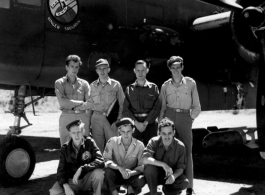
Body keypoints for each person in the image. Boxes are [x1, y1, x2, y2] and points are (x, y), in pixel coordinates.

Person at [159, 56, 201, 195]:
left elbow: (196, 106)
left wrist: (190, 119)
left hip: (184, 117)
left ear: (182, 67)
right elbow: (162, 107)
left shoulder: (190, 83)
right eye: (173, 67)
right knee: (168, 151)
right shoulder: (165, 86)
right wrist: (161, 125)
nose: (176, 70)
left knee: (187, 151)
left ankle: (189, 187)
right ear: (169, 69)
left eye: (178, 67)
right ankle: (168, 186)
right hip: (169, 117)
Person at [49, 119, 105, 195]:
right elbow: (61, 170)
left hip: (86, 180)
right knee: (54, 192)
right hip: (71, 181)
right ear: (70, 134)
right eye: (73, 133)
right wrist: (66, 186)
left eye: (79, 132)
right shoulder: (65, 148)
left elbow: (101, 161)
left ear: (83, 132)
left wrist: (82, 168)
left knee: (99, 173)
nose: (76, 135)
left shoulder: (90, 142)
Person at [83, 58, 125, 153]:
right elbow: (89, 107)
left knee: (113, 144)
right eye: (100, 69)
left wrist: (118, 120)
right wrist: (88, 124)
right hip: (96, 118)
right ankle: (100, 166)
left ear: (109, 69)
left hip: (111, 119)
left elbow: (122, 104)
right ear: (96, 70)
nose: (102, 71)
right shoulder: (92, 86)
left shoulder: (116, 85)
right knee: (97, 146)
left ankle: (113, 166)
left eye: (104, 68)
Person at [143, 117, 189, 195]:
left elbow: (180, 168)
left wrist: (174, 177)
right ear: (159, 133)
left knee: (185, 182)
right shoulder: (153, 141)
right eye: (164, 133)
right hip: (155, 176)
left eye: (169, 133)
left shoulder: (180, 146)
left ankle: (168, 190)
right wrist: (163, 164)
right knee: (149, 168)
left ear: (173, 132)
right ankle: (153, 193)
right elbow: (144, 159)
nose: (167, 137)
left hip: (170, 176)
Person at [55, 55, 93, 146]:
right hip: (67, 116)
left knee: (84, 148)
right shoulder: (59, 83)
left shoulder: (84, 84)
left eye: (76, 67)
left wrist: (73, 104)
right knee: (65, 147)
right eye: (72, 66)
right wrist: (80, 103)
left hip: (82, 117)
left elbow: (91, 103)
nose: (74, 69)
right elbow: (63, 103)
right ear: (66, 67)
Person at [103, 117, 146, 195]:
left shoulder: (140, 145)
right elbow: (106, 160)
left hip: (131, 174)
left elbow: (141, 166)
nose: (125, 134)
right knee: (107, 171)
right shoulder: (112, 141)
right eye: (123, 131)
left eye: (128, 131)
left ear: (133, 130)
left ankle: (130, 189)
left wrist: (131, 173)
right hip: (116, 173)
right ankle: (114, 192)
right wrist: (119, 168)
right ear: (119, 131)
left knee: (141, 180)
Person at [122, 60, 161, 146]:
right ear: (134, 71)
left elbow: (157, 107)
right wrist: (136, 123)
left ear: (147, 70)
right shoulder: (129, 89)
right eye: (138, 70)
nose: (140, 73)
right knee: (135, 150)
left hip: (150, 124)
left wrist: (146, 122)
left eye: (143, 70)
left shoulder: (153, 88)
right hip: (134, 125)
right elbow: (125, 109)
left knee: (151, 149)